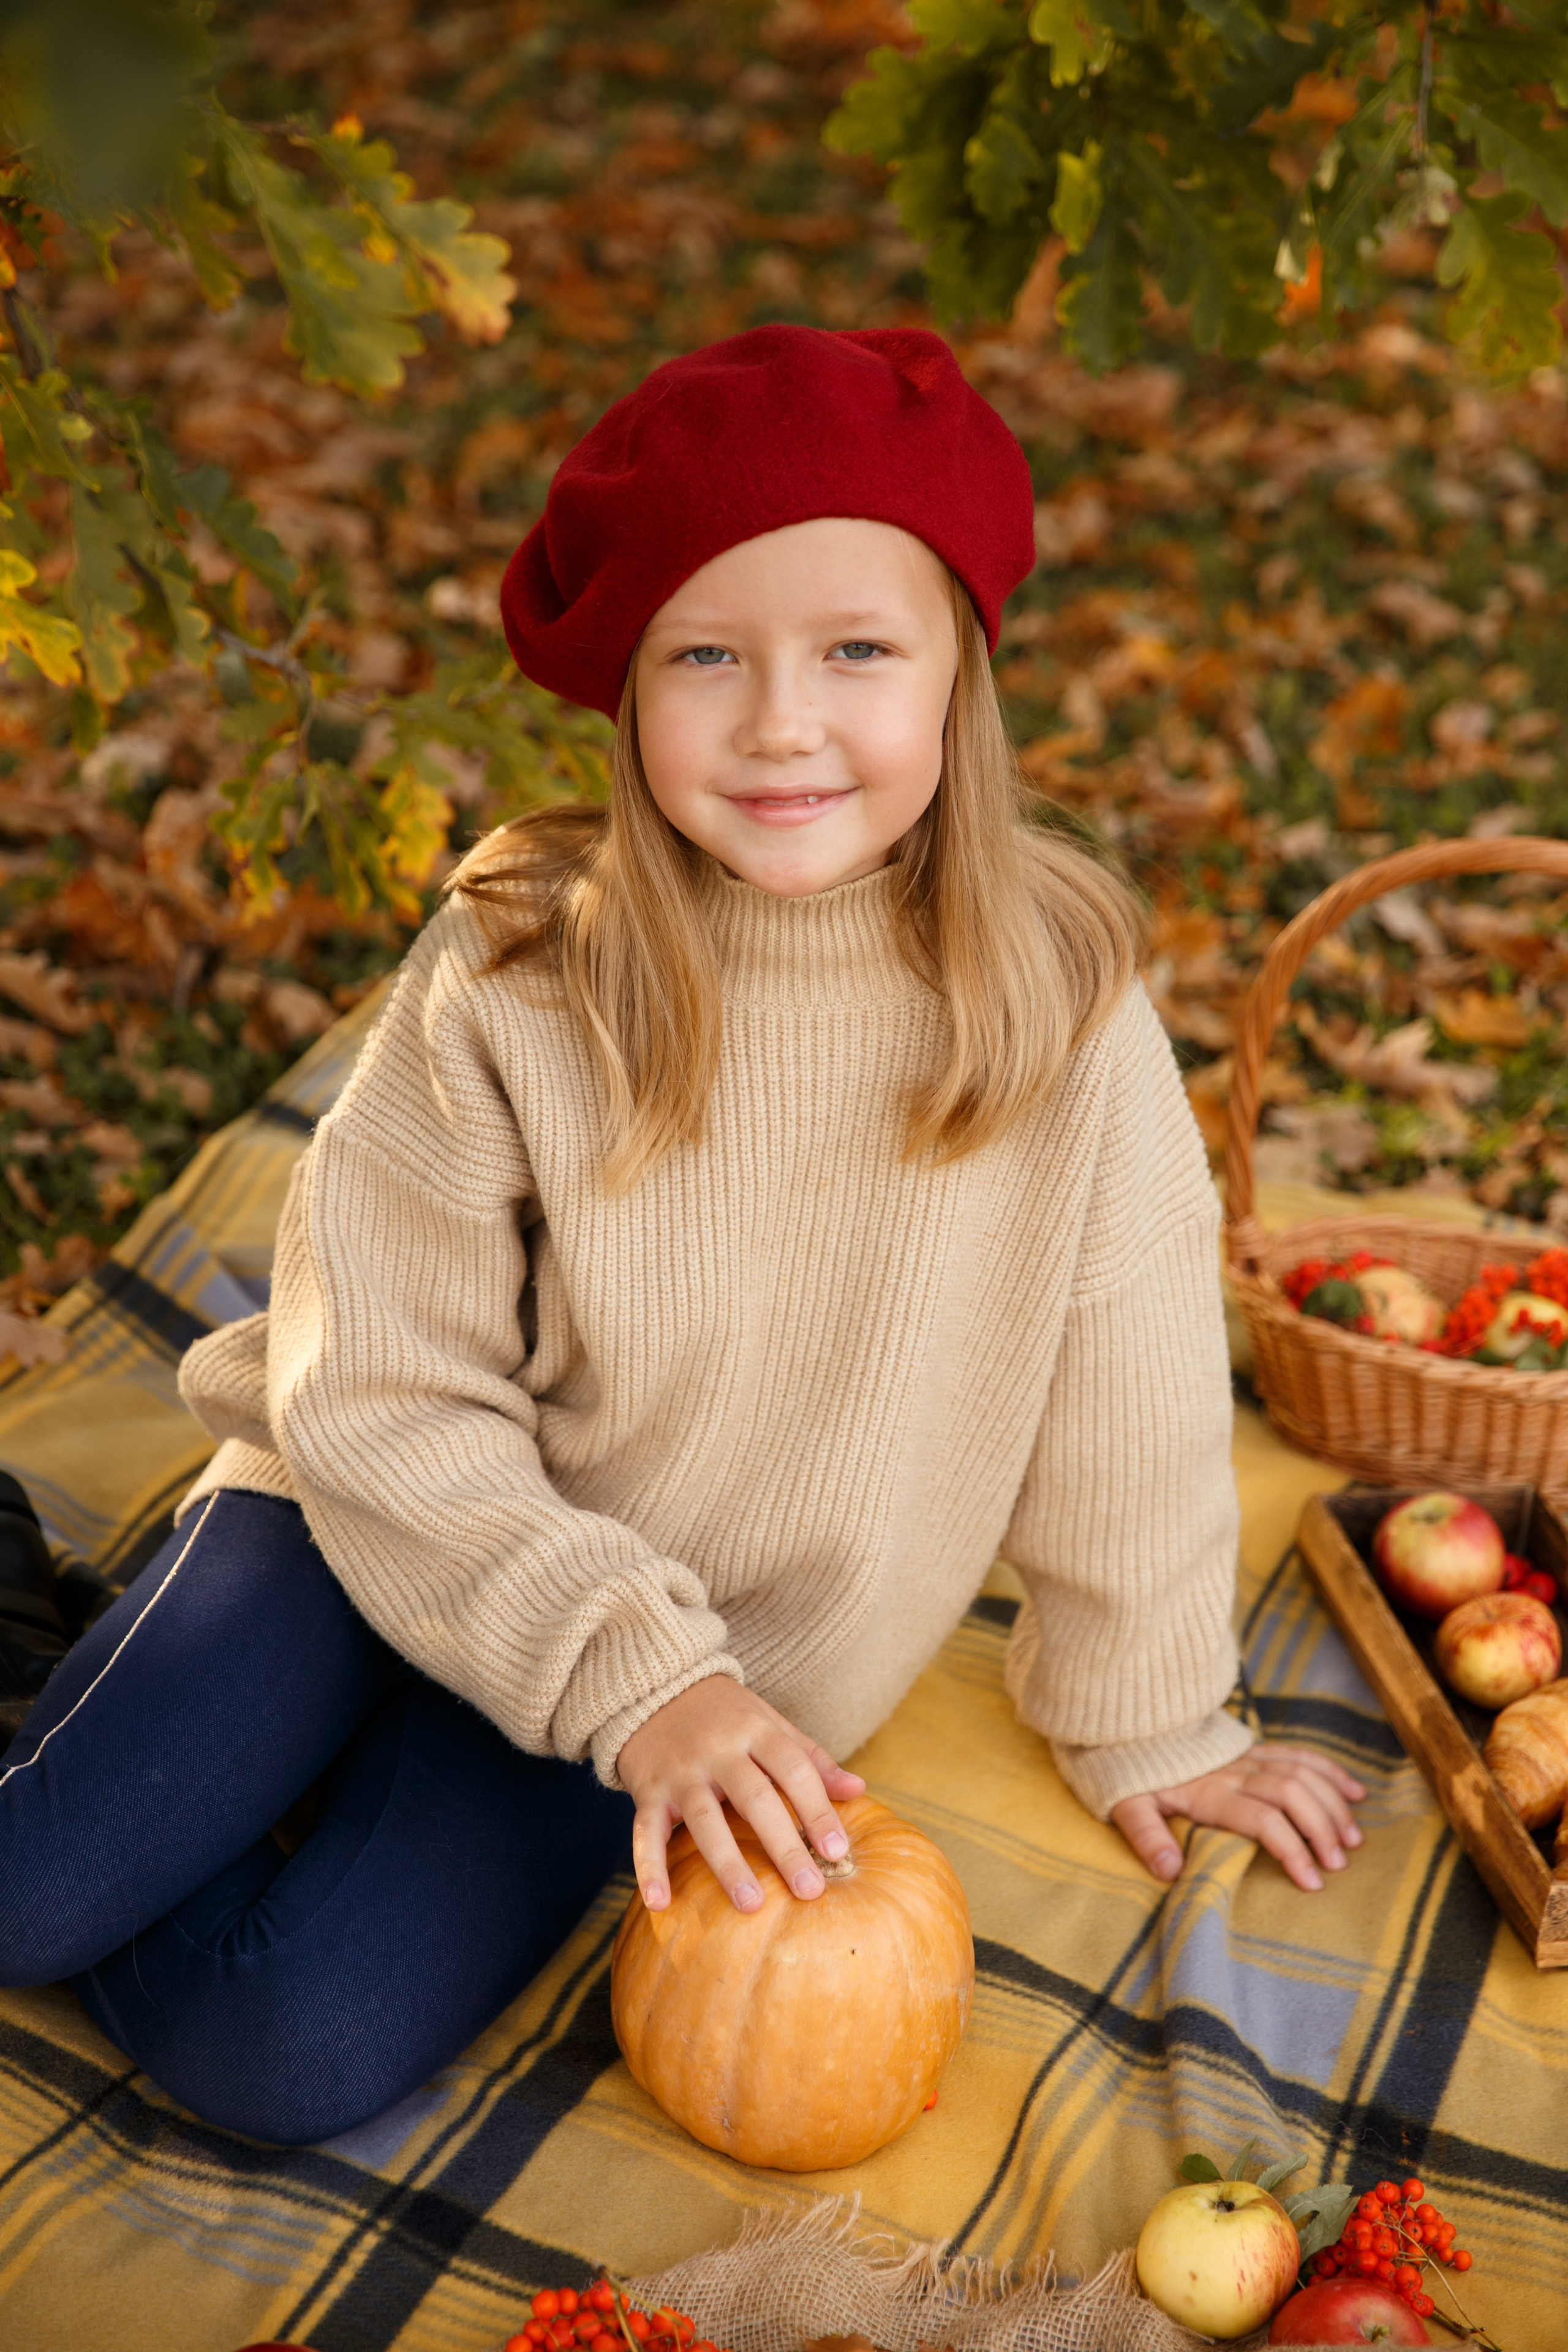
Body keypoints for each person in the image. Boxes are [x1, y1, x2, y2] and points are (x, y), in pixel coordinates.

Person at [0, 326, 1363, 2146]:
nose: (783, 721)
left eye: (857, 652)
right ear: (627, 689)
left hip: (694, 1667)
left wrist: (1156, 1717)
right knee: (29, 1890)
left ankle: (197, 1769)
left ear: (962, 667)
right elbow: (377, 1382)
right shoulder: (518, 966)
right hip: (366, 1527)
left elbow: (1131, 1401)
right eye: (706, 656)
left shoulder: (1063, 1014)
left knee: (285, 2050)